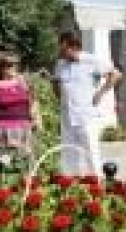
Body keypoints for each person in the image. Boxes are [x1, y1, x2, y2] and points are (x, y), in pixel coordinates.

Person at [52, 30, 122, 176]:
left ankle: (96, 182)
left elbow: (115, 74)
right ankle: (70, 183)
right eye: (61, 48)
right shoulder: (60, 64)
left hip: (86, 116)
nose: (62, 52)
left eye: (65, 49)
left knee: (91, 152)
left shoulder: (91, 61)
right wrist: (60, 98)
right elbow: (56, 82)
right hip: (67, 118)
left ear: (74, 47)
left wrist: (100, 93)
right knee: (69, 154)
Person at [0, 49, 41, 157]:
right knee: (5, 166)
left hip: (24, 131)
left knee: (25, 165)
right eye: (8, 65)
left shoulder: (24, 83)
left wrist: (36, 119)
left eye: (15, 64)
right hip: (3, 133)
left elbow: (33, 101)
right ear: (0, 67)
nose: (13, 68)